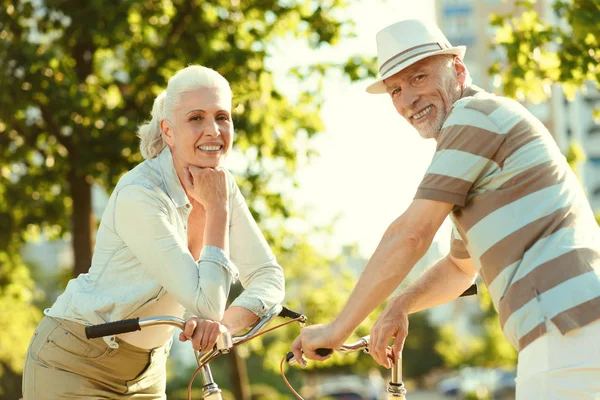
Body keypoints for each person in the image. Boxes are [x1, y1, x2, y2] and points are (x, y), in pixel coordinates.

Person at [291, 19, 600, 399]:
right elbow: (459, 268)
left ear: (457, 69)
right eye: (396, 90)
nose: (407, 101)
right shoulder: (475, 150)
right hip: (572, 329)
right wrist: (400, 304)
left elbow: (411, 233)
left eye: (419, 77)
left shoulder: (474, 116)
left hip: (569, 328)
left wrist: (337, 330)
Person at [22, 65, 285, 399]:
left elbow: (268, 277)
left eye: (222, 116)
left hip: (148, 372)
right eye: (196, 118)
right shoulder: (140, 193)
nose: (213, 130)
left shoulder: (223, 185)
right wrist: (217, 210)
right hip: (76, 359)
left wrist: (225, 326)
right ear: (168, 132)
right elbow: (206, 302)